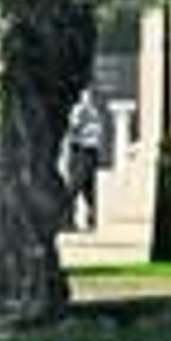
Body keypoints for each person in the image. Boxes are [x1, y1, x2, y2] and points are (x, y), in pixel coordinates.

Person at [64, 87, 103, 232]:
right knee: (80, 187)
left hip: (85, 151)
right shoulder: (84, 110)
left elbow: (74, 128)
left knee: (81, 188)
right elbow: (72, 128)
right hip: (82, 150)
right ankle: (72, 220)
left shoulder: (86, 111)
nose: (86, 97)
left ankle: (85, 220)